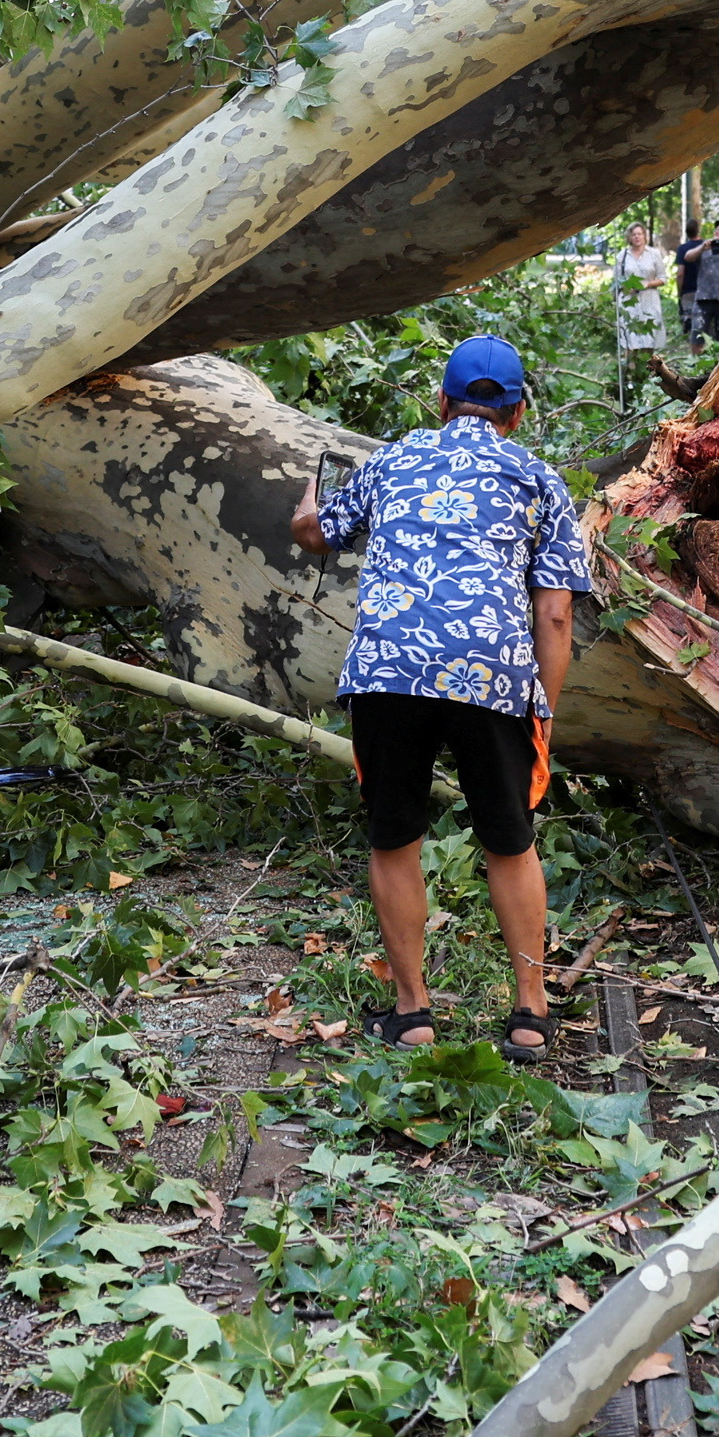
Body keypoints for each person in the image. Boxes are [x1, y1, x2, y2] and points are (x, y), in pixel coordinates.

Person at [290, 334, 589, 1063]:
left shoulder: (390, 461)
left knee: (395, 838)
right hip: (491, 674)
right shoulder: (538, 478)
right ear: (517, 413)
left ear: (441, 401)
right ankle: (530, 1012)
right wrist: (541, 711)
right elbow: (554, 615)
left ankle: (413, 1012)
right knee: (510, 841)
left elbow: (316, 534)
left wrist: (305, 512)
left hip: (389, 672)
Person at [613, 220, 674, 382]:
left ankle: (648, 375)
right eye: (634, 234)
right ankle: (631, 377)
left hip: (649, 302)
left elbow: (663, 278)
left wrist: (647, 284)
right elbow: (617, 281)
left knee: (649, 339)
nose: (637, 237)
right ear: (629, 237)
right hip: (629, 302)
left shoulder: (653, 254)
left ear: (645, 236)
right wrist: (627, 286)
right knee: (630, 340)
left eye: (640, 234)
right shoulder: (622, 256)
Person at [683, 218, 719, 347]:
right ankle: (697, 359)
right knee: (697, 335)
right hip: (703, 299)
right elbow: (687, 257)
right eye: (716, 229)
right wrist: (702, 248)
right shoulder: (705, 247)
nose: (717, 231)